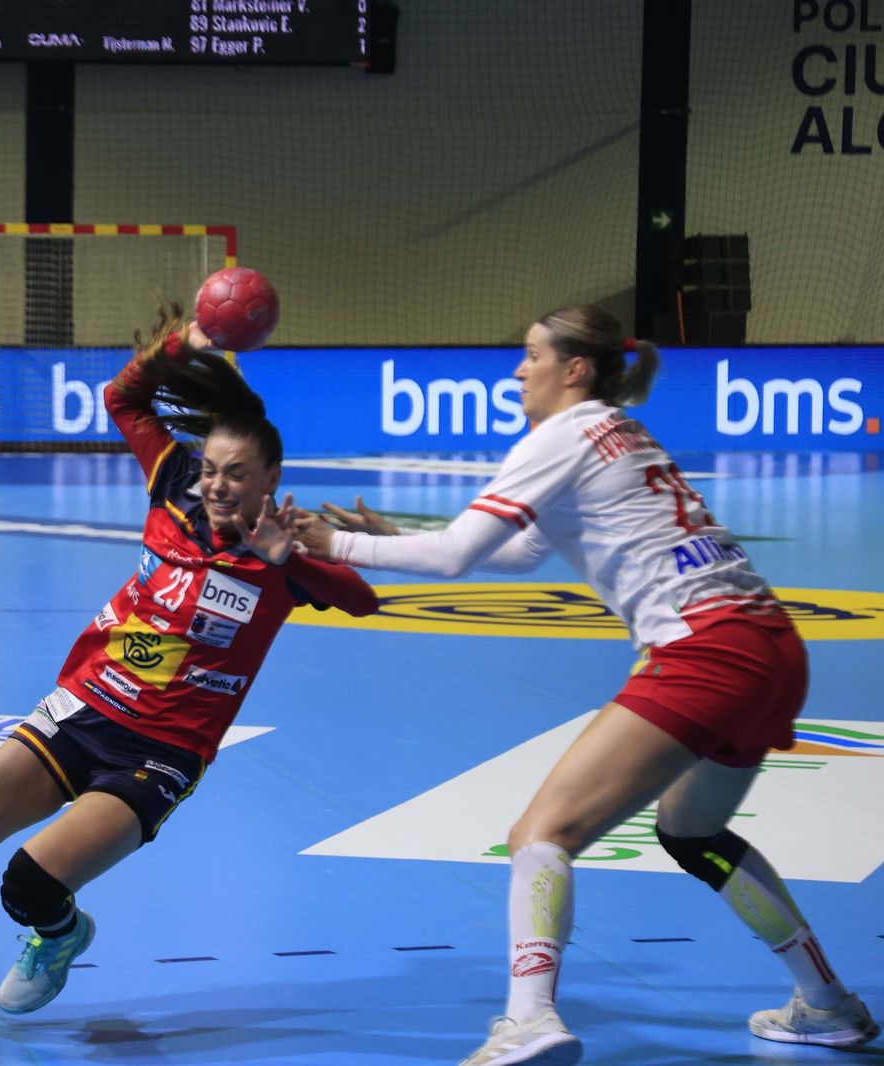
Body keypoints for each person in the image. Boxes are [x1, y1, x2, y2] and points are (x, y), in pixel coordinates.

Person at [288, 305, 879, 1065]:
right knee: (693, 833)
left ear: (574, 369)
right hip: (769, 645)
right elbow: (522, 552)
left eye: (531, 354)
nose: (516, 369)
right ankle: (829, 1004)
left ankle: (530, 1019)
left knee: (543, 834)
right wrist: (397, 539)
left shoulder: (561, 432)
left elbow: (458, 558)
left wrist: (333, 543)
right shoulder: (616, 430)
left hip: (705, 650)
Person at [0, 302, 380, 1028]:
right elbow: (122, 397)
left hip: (162, 751)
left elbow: (362, 602)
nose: (216, 485)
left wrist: (301, 553)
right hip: (81, 710)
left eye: (236, 474)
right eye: (210, 469)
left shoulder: (285, 558)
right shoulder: (171, 486)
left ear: (272, 479)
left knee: (28, 884)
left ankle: (60, 933)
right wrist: (185, 342)